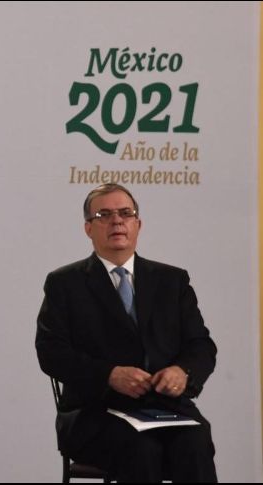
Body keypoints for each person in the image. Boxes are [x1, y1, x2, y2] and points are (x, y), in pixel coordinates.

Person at [35, 183, 217, 482]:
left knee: (194, 443)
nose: (116, 221)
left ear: (138, 224)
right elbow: (51, 352)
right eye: (104, 215)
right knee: (141, 450)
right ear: (88, 228)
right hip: (94, 412)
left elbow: (201, 345)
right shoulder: (64, 283)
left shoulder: (172, 280)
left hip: (165, 408)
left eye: (125, 213)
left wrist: (182, 371)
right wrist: (109, 374)